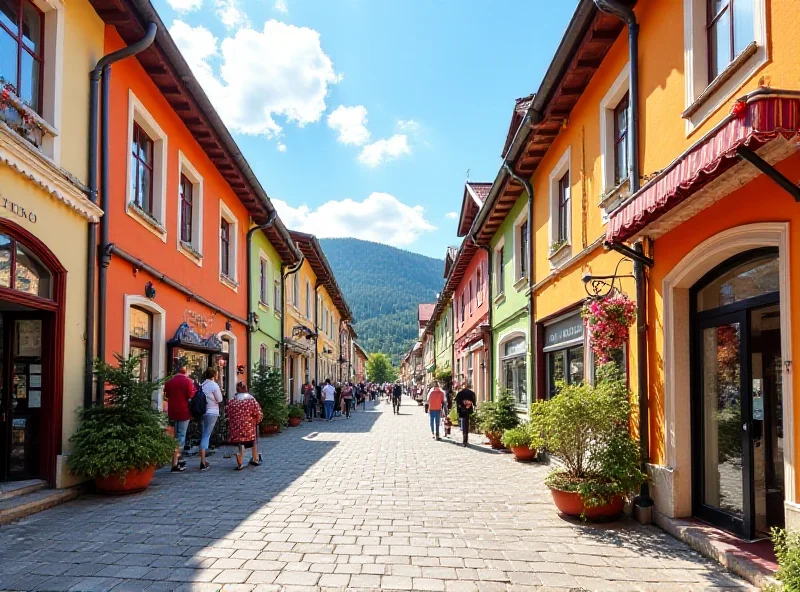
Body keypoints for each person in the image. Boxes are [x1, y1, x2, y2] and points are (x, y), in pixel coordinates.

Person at [164, 361, 195, 472]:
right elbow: (191, 395)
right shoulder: (188, 381)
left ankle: (179, 460)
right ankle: (176, 463)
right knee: (181, 437)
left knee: (175, 436)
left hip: (172, 412)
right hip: (184, 412)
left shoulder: (169, 382)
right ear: (184, 370)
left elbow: (166, 395)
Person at [227, 381, 263, 470]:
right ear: (245, 388)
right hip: (249, 427)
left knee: (240, 443)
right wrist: (257, 421)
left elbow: (228, 413)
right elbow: (258, 413)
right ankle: (255, 458)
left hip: (236, 428)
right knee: (253, 441)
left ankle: (240, 459)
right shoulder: (250, 400)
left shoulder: (232, 400)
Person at [199, 367, 224, 470]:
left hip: (203, 411)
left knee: (204, 433)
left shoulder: (202, 385)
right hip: (212, 412)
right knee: (206, 435)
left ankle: (203, 459)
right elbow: (219, 399)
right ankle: (203, 461)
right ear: (214, 375)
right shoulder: (214, 385)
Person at [455, 381, 476, 447]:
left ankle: (465, 440)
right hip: (468, 410)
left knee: (464, 424)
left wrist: (461, 407)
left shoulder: (459, 393)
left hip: (462, 410)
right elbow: (474, 402)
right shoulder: (471, 393)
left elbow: (457, 402)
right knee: (466, 424)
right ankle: (465, 439)